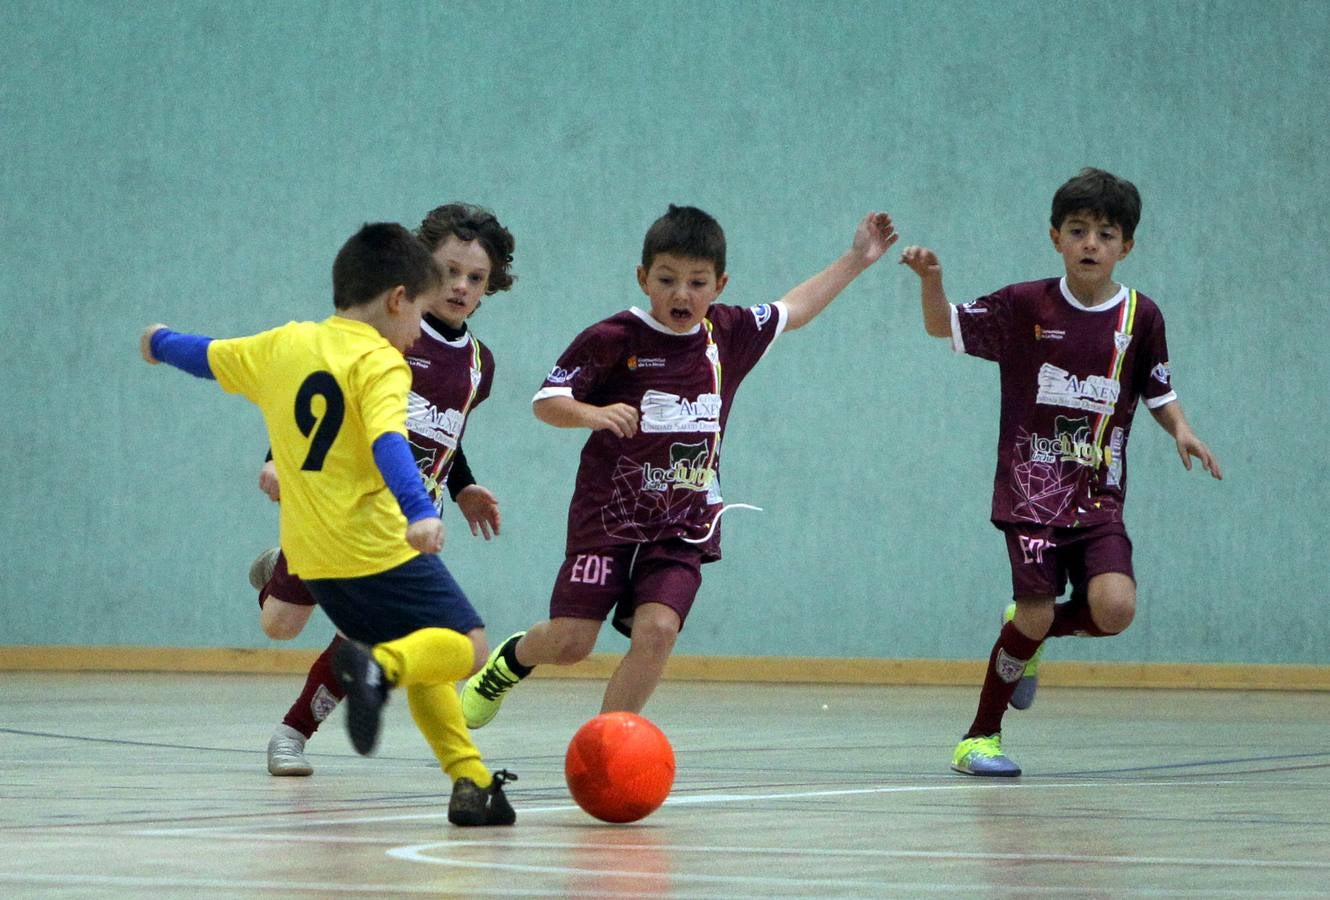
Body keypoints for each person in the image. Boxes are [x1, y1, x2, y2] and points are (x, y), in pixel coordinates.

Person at [460, 204, 898, 726]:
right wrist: (594, 414)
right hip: (608, 519)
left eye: (697, 282)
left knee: (658, 631)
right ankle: (510, 663)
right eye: (666, 280)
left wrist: (857, 258)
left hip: (683, 525)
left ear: (719, 284)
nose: (681, 294)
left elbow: (794, 308)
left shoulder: (728, 333)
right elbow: (547, 402)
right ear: (643, 278)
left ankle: (606, 744)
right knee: (571, 642)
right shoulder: (612, 339)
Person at [139, 222, 517, 825]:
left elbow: (207, 355)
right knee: (464, 649)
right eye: (417, 311)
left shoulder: (286, 342)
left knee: (419, 645)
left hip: (314, 551)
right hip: (380, 544)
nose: (419, 328)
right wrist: (421, 512)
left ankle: (470, 782)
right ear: (398, 299)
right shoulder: (386, 363)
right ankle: (379, 669)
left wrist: (160, 341)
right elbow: (392, 444)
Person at [899, 168, 1223, 777]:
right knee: (1037, 611)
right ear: (1056, 238)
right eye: (1078, 231)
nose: (1091, 244)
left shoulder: (1141, 317)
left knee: (1115, 610)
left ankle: (1032, 639)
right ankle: (978, 739)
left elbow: (1156, 388)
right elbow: (943, 325)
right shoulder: (1026, 305)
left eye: (1106, 233)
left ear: (1127, 245)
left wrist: (1181, 427)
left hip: (1098, 496)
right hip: (1030, 493)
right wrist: (934, 282)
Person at [247, 204, 516, 779]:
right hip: (340, 509)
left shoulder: (478, 365)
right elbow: (319, 397)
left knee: (368, 637)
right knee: (279, 625)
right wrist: (278, 460)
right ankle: (280, 573)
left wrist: (464, 487)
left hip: (406, 527)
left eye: (476, 279)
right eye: (449, 272)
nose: (462, 287)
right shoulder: (384, 334)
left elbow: (445, 432)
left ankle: (293, 733)